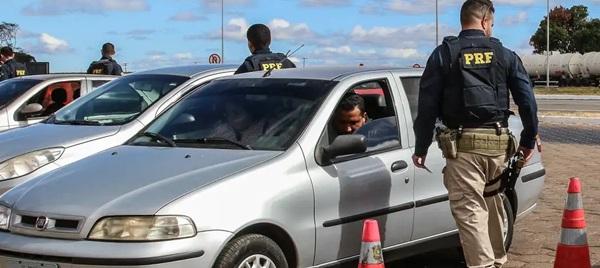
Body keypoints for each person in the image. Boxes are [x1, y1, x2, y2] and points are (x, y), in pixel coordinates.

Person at [412, 1, 541, 267]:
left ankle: (483, 265)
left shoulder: (443, 54)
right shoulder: (505, 55)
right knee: (492, 201)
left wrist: (421, 147)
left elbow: (426, 108)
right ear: (483, 21)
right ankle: (496, 260)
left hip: (463, 148)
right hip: (498, 145)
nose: (491, 29)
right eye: (491, 24)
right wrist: (529, 140)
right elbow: (527, 101)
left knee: (470, 210)